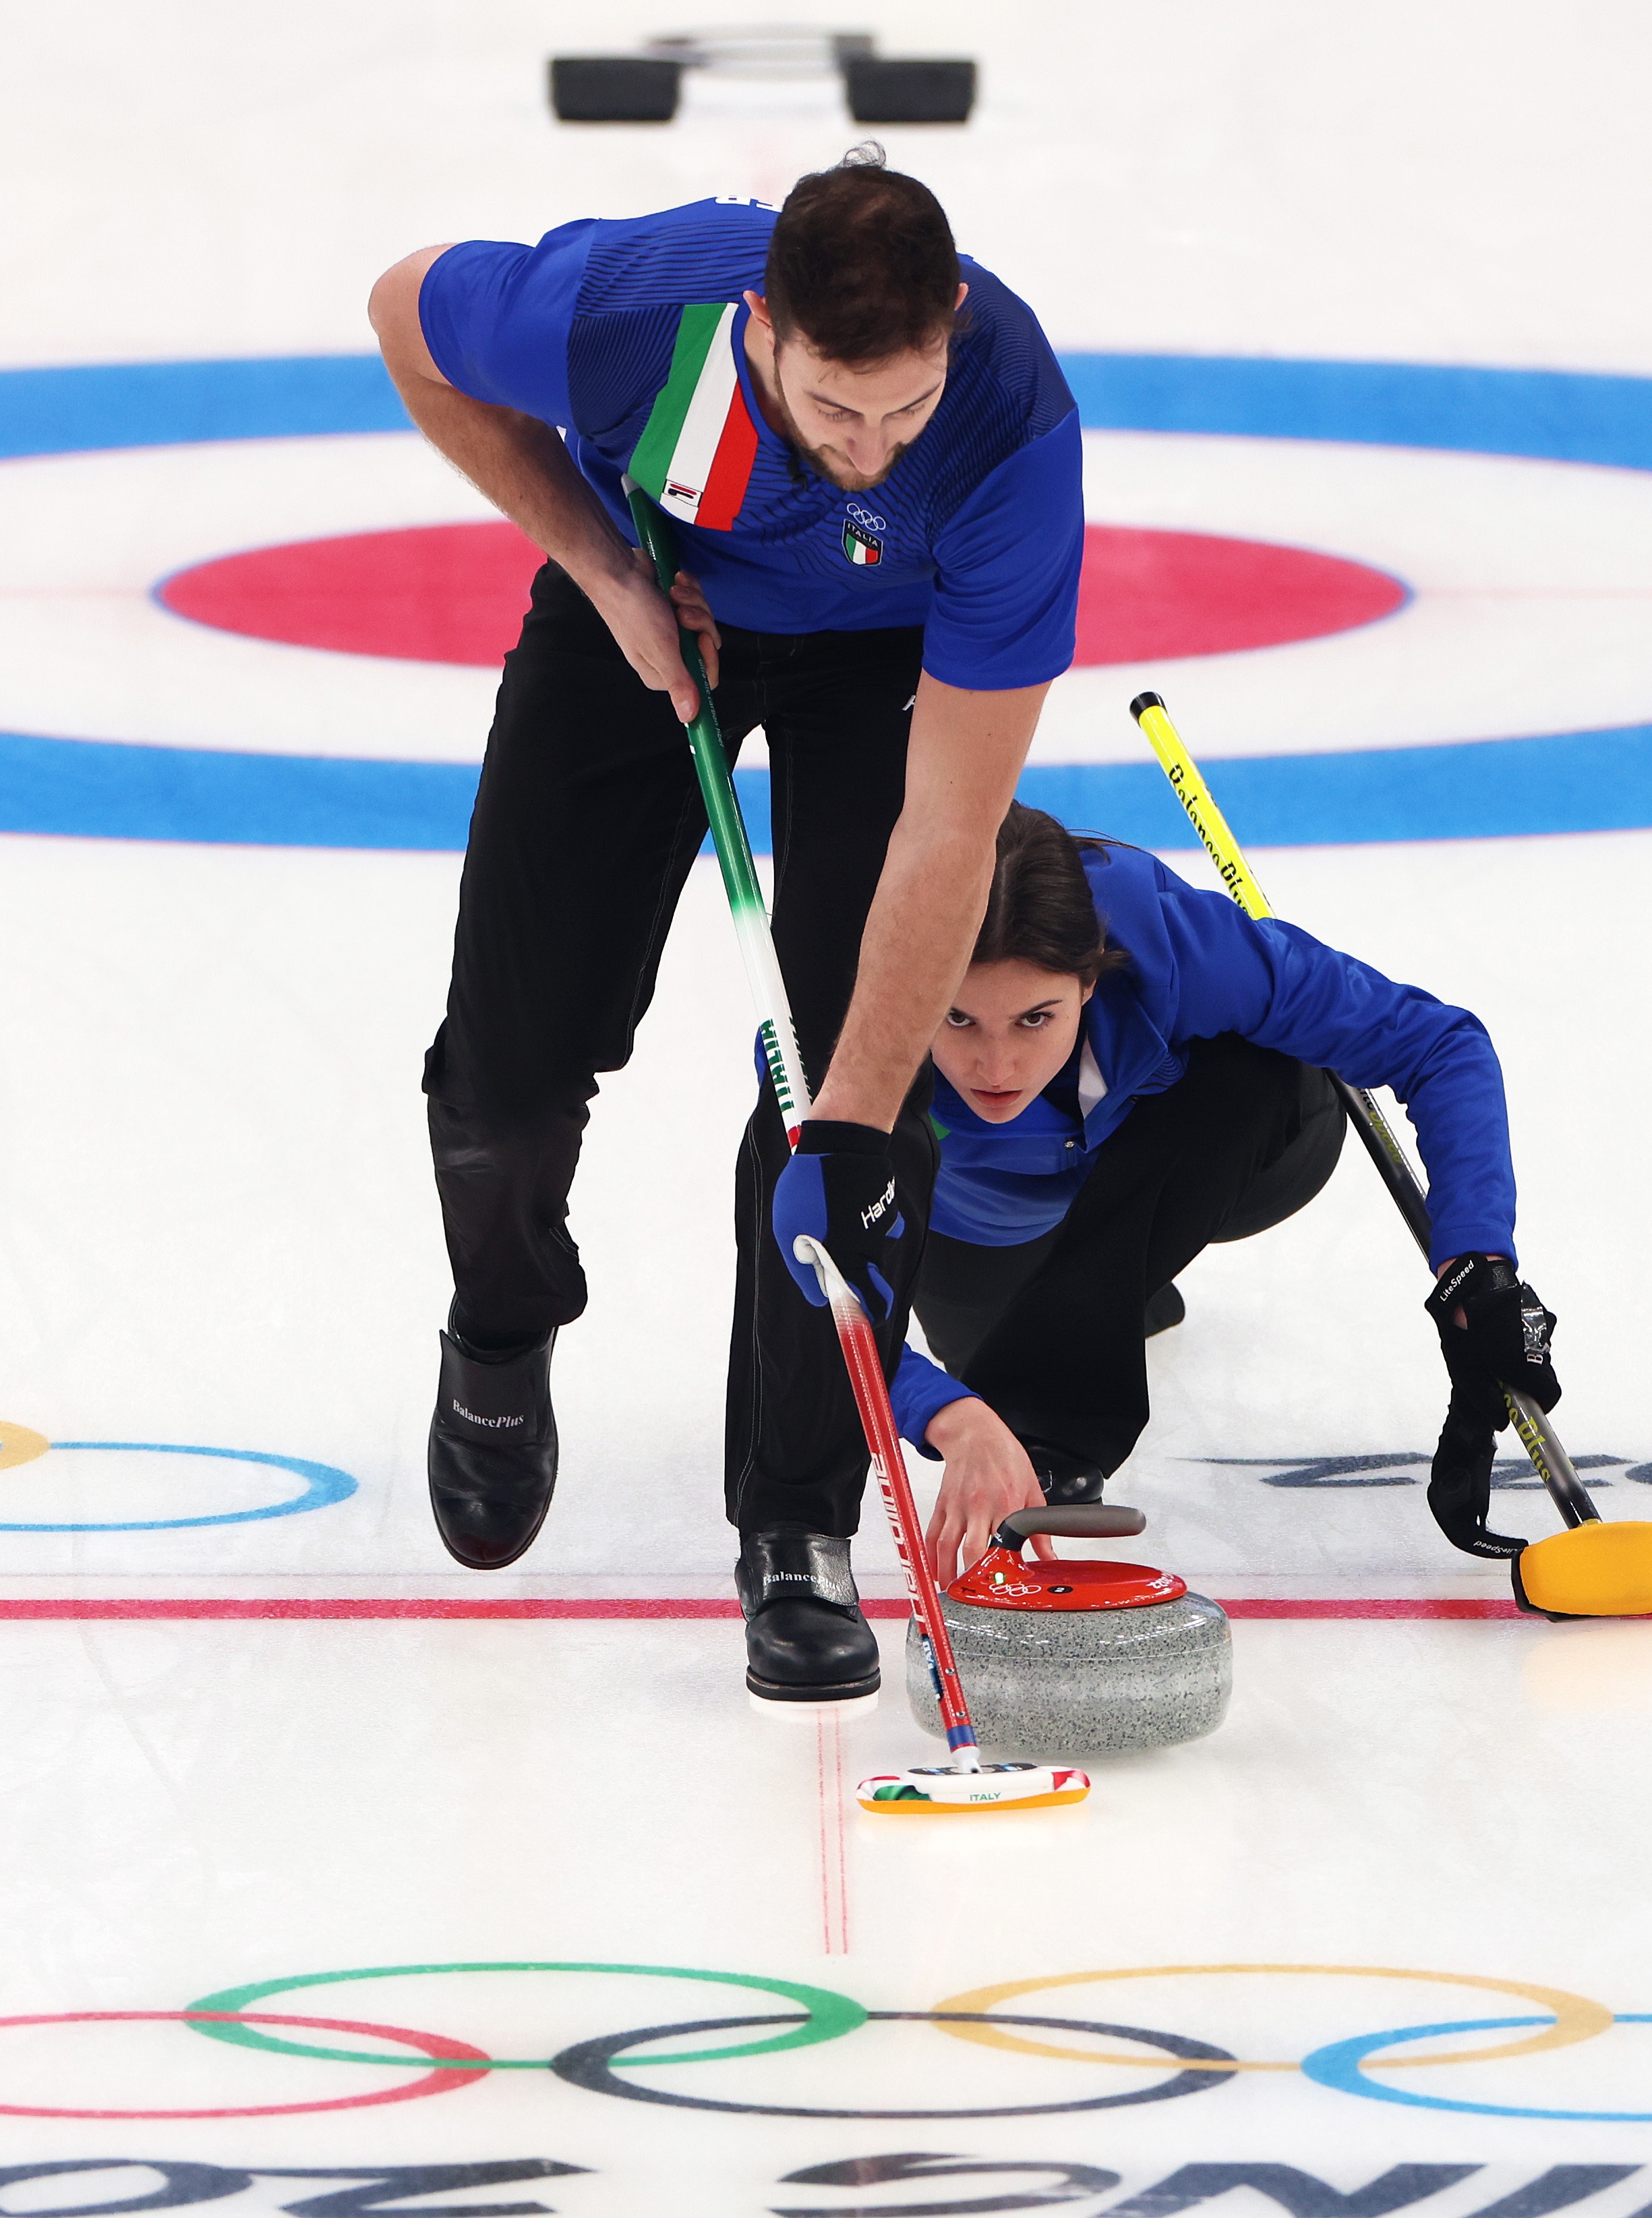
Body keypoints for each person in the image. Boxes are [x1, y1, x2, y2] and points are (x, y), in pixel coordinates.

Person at [365, 149, 1083, 1701]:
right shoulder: (627, 320)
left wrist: (853, 1124)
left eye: (903, 407)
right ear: (761, 326)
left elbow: (949, 828)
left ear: (953, 320)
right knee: (507, 1068)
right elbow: (402, 317)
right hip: (659, 597)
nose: (870, 447)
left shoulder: (1010, 428)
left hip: (880, 656)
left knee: (853, 1105)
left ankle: (797, 1524)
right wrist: (599, 565)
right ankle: (500, 1320)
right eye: (835, 409)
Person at [883, 806, 1566, 1573]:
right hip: (981, 1228)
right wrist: (947, 1412)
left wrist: (1477, 1261)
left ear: (1090, 974)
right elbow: (806, 1283)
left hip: (1227, 1161)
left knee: (1252, 1060)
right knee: (985, 1375)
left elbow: (1437, 1042)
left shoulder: (1173, 941)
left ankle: (1090, 1313)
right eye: (958, 1017)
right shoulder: (842, 1020)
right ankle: (1104, 1300)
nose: (997, 1066)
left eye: (1035, 1017)